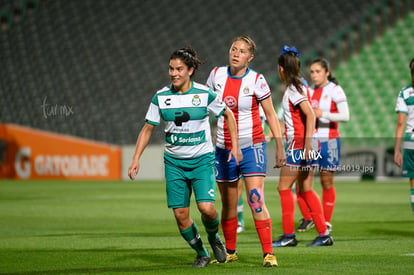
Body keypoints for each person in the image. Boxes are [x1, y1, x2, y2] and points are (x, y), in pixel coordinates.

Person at [128, 47, 242, 268]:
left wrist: (234, 147)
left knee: (207, 209)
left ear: (190, 70)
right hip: (174, 163)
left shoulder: (204, 94)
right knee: (181, 215)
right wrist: (136, 158)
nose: (173, 73)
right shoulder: (161, 97)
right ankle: (202, 253)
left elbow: (228, 114)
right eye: (171, 68)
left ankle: (213, 237)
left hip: (201, 160)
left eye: (179, 69)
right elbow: (148, 128)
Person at [206, 35, 285, 267]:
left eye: (241, 51)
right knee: (229, 204)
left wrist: (280, 146)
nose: (236, 53)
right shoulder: (216, 75)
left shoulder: (257, 80)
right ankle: (230, 252)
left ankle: (268, 254)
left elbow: (271, 115)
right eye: (233, 49)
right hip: (223, 147)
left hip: (253, 146)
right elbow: (205, 106)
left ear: (250, 57)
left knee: (255, 198)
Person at [272, 45, 333, 247]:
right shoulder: (301, 84)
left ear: (282, 69)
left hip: (300, 143)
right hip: (307, 141)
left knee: (283, 187)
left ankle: (289, 236)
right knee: (305, 189)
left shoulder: (293, 89)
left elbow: (309, 113)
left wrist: (306, 144)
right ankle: (324, 234)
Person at [295, 58, 350, 233]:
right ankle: (310, 218)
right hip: (311, 142)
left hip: (329, 140)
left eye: (318, 71)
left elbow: (345, 116)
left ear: (327, 72)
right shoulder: (308, 91)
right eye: (312, 72)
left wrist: (322, 114)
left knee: (326, 181)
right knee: (302, 183)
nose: (314, 75)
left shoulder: (335, 90)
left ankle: (325, 221)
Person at [394, 58, 414, 213]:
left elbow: (401, 123)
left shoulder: (405, 92)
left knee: (413, 183)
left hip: (410, 141)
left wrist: (397, 150)